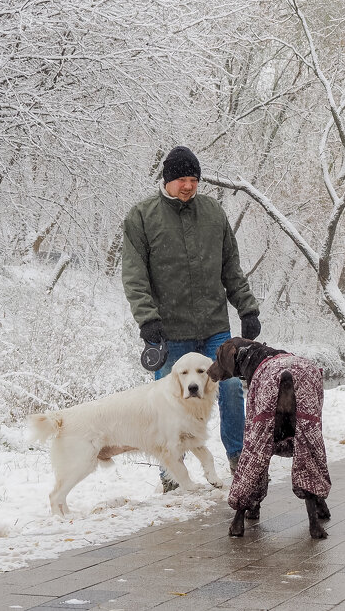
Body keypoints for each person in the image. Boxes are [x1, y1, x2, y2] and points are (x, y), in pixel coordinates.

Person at [122, 145, 262, 489]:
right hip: (170, 331)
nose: (189, 185)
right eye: (182, 179)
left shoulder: (213, 213)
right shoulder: (141, 217)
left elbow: (231, 267)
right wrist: (148, 319)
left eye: (194, 179)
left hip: (215, 326)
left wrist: (247, 307)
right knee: (170, 403)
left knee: (230, 389)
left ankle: (238, 460)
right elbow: (134, 276)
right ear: (167, 179)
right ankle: (171, 473)